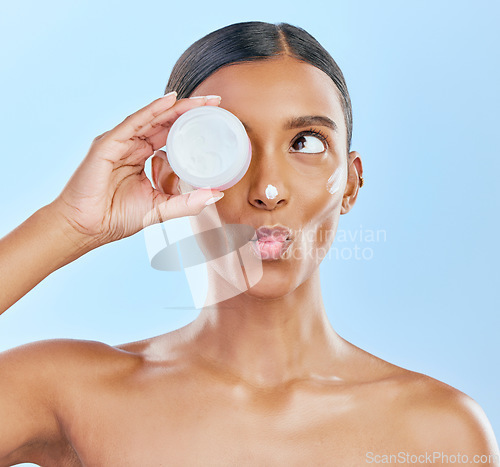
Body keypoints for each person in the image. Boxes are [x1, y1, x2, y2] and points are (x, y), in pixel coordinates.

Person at [0, 21, 498, 466]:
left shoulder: (439, 430)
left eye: (306, 142)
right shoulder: (72, 393)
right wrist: (70, 224)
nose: (268, 190)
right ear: (174, 177)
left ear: (350, 183)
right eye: (227, 142)